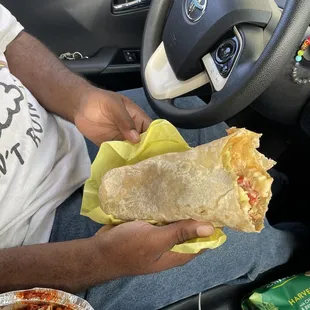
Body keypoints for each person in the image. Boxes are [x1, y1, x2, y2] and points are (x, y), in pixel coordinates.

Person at [0, 4, 307, 310]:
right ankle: (294, 251)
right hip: (35, 247)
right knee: (249, 247)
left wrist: (78, 100)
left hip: (69, 139)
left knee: (189, 112)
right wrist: (96, 260)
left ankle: (269, 191)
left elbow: (9, 40)